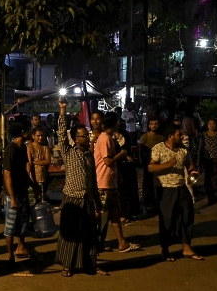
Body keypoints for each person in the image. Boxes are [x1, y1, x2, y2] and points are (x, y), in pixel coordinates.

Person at [55, 98, 106, 277]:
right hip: (72, 198)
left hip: (87, 199)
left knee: (90, 235)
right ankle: (67, 266)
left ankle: (90, 265)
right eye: (84, 135)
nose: (87, 137)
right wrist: (63, 110)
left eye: (87, 134)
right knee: (70, 234)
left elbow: (92, 181)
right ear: (76, 138)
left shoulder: (88, 156)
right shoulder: (69, 152)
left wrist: (98, 203)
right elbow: (61, 134)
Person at [148, 124, 203, 262]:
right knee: (167, 219)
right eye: (179, 134)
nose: (182, 137)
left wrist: (192, 171)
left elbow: (189, 164)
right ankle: (165, 249)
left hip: (181, 186)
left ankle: (186, 246)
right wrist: (168, 165)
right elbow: (151, 167)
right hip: (165, 188)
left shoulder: (183, 150)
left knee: (187, 215)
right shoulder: (158, 149)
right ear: (171, 136)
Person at [94, 112, 139, 253]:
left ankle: (121, 242)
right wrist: (122, 154)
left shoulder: (106, 138)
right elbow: (107, 161)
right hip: (104, 182)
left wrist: (117, 174)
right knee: (102, 214)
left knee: (113, 212)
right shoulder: (105, 139)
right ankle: (96, 243)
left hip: (108, 181)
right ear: (114, 123)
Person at [3, 121, 32, 263]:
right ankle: (10, 255)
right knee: (11, 224)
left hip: (22, 190)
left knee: (23, 221)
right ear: (23, 132)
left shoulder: (22, 148)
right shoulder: (11, 149)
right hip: (12, 193)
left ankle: (21, 247)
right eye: (29, 129)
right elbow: (7, 174)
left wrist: (33, 185)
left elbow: (23, 171)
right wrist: (13, 198)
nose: (31, 132)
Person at [198, 118, 217, 204]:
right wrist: (199, 163)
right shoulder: (203, 136)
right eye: (209, 124)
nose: (211, 125)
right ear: (207, 125)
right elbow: (201, 149)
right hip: (208, 160)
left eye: (213, 124)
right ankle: (209, 195)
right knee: (208, 178)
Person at [139, 118, 163, 215]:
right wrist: (143, 162)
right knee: (147, 184)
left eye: (155, 123)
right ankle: (145, 205)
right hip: (148, 164)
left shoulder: (161, 137)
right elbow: (141, 151)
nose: (154, 125)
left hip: (158, 164)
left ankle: (157, 204)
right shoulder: (145, 137)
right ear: (149, 126)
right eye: (152, 124)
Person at [27, 126, 51, 203]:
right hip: (33, 178)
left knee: (42, 200)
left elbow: (48, 161)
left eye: (42, 135)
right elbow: (30, 163)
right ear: (33, 136)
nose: (40, 138)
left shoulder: (45, 147)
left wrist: (36, 162)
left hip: (43, 177)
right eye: (38, 136)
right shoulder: (29, 147)